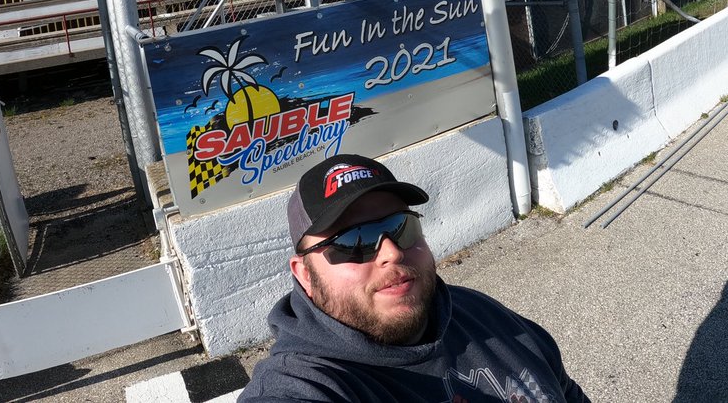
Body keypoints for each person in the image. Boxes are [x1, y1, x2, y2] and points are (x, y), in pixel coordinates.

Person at [240, 153, 590, 402]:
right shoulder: (308, 383)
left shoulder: (482, 315)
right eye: (353, 241)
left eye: (400, 227)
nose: (391, 252)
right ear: (304, 275)